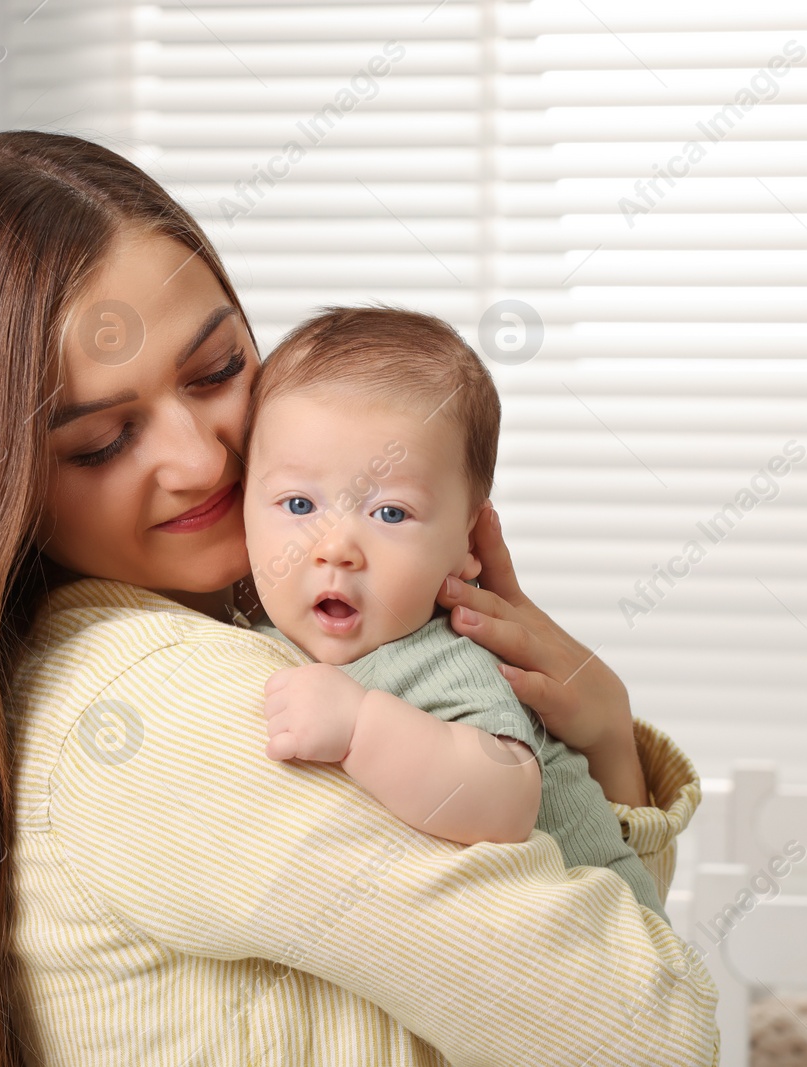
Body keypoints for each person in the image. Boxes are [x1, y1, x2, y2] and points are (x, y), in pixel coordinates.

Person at [0, 129, 719, 1067]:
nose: (202, 458)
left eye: (216, 372)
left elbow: (587, 909)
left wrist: (601, 740)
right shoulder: (174, 708)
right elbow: (647, 1030)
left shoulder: (281, 640)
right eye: (101, 442)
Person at [242, 305, 665, 921]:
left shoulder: (442, 655)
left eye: (390, 513)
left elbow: (503, 799)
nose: (334, 547)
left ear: (468, 544)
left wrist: (360, 727)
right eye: (299, 503)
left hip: (613, 947)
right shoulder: (252, 636)